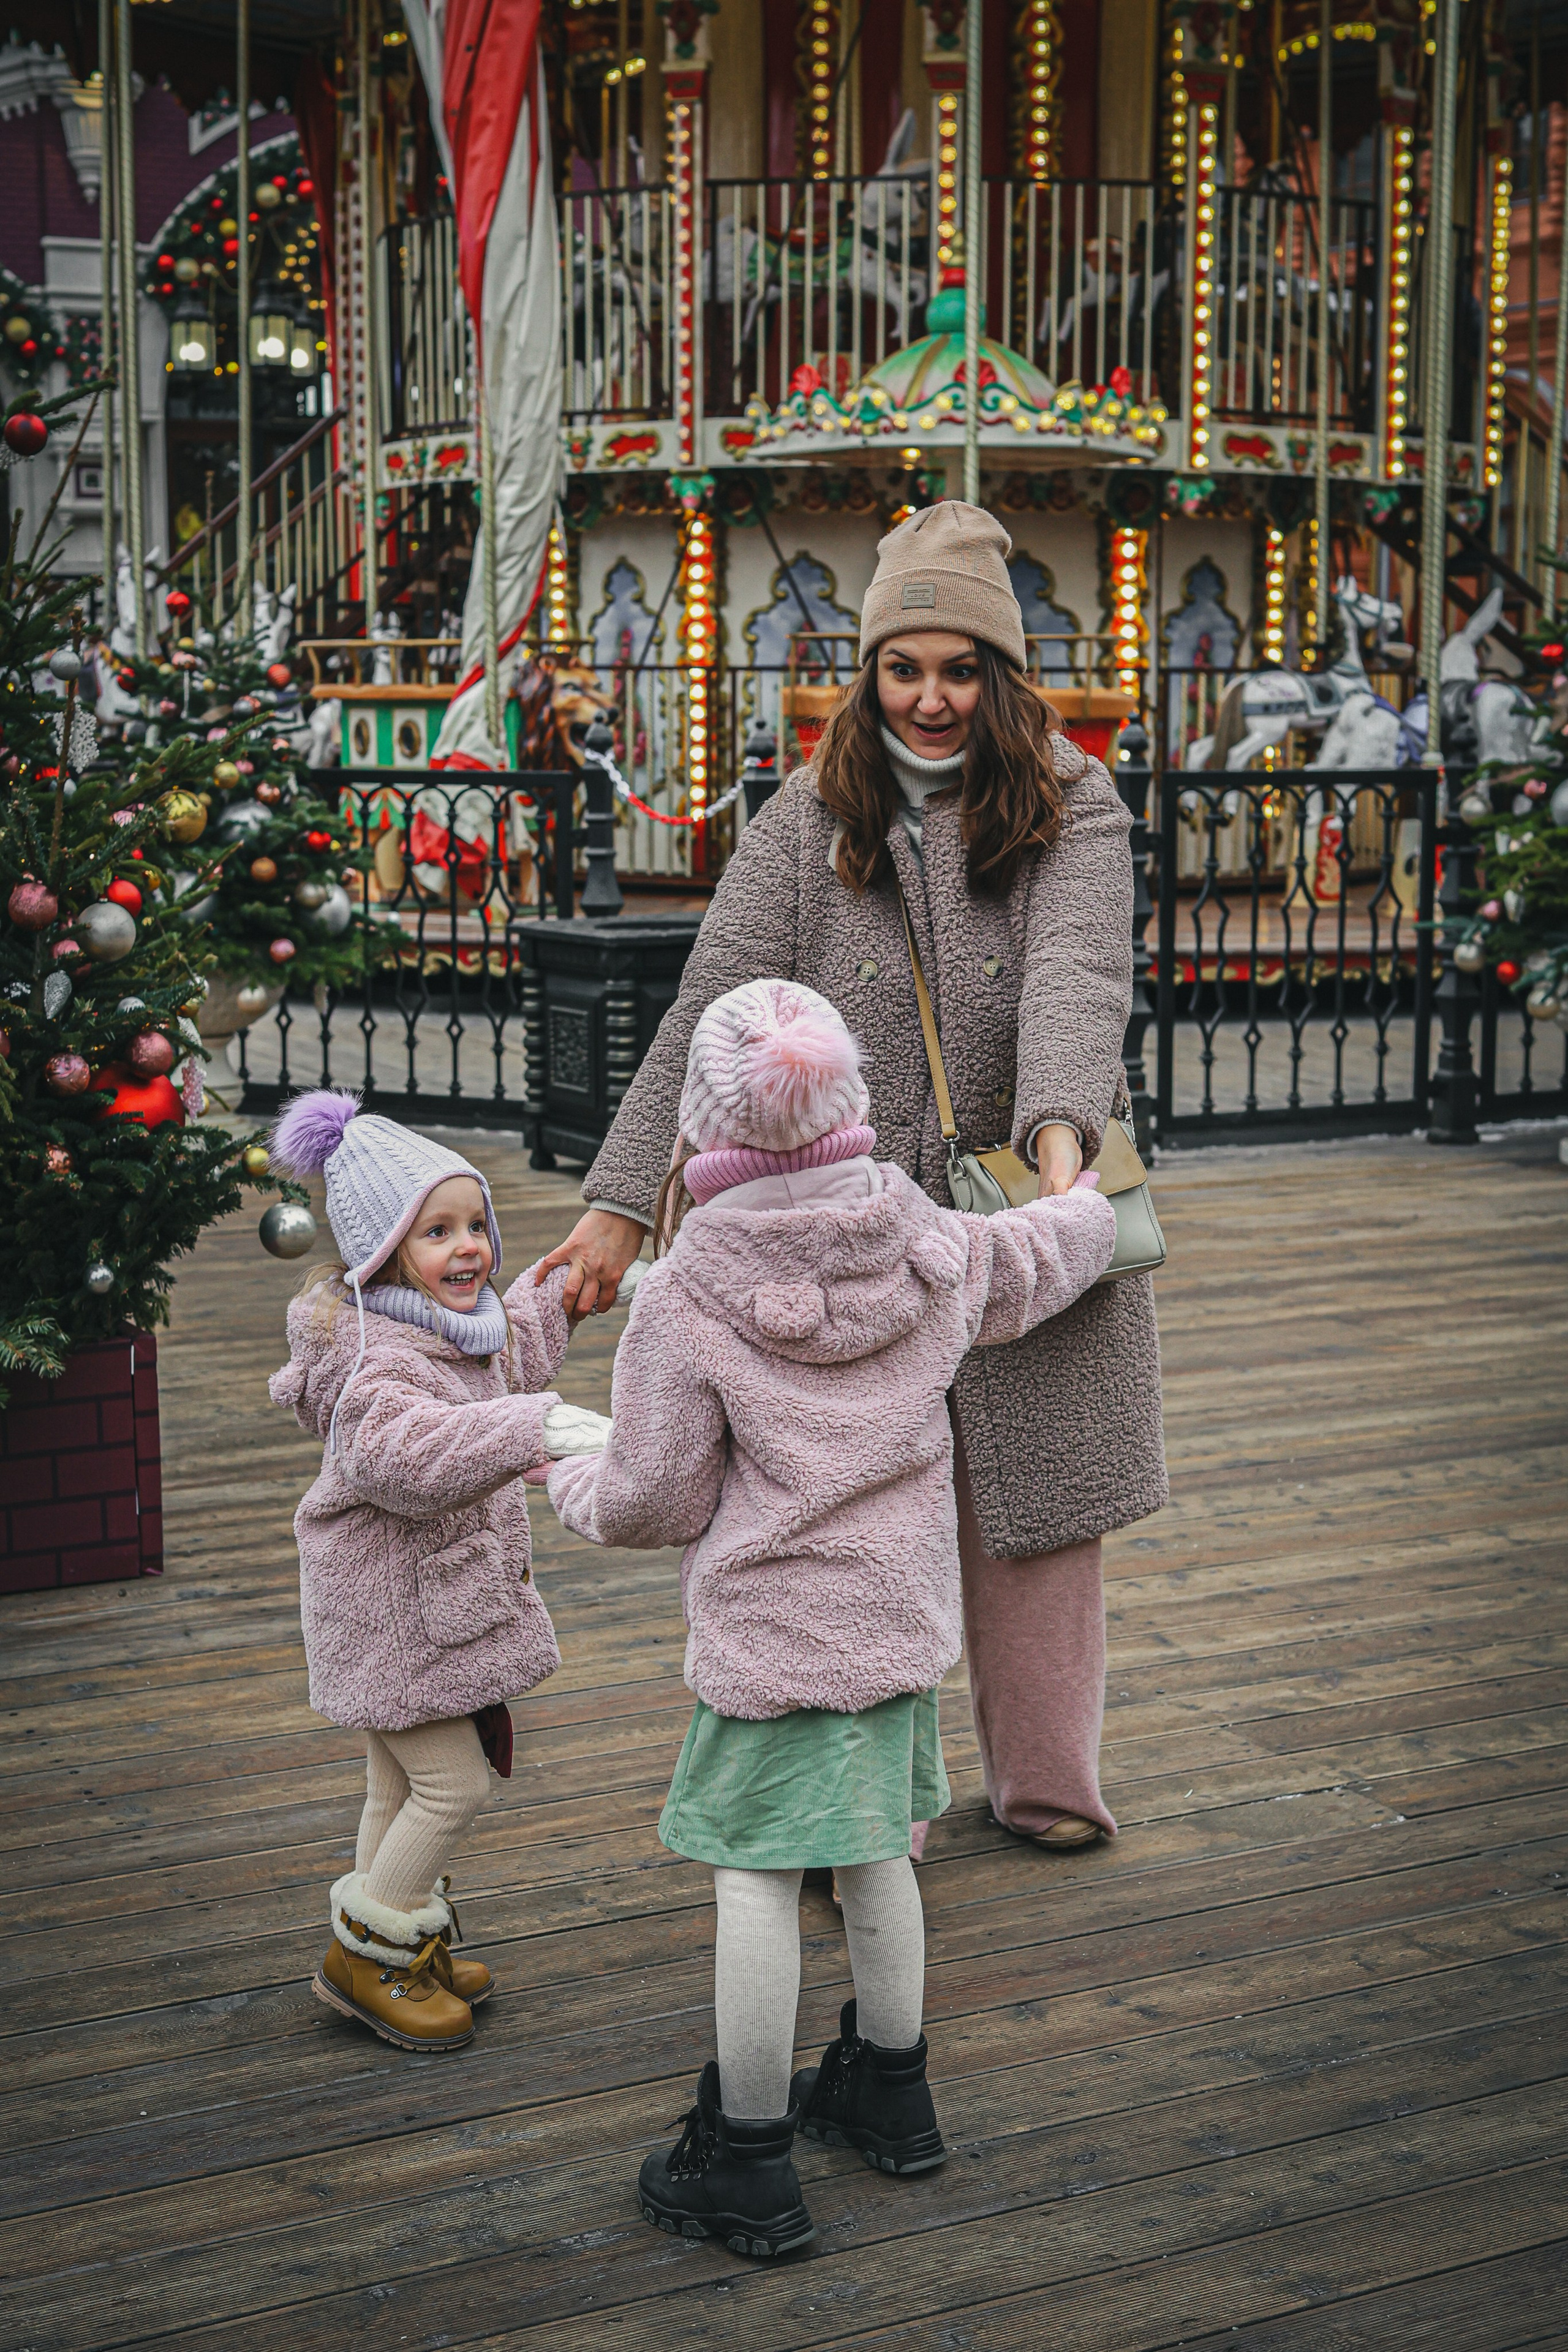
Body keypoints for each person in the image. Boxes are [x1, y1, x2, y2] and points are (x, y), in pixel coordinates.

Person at [538, 500, 1167, 1849]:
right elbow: (709, 1004)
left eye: (957, 670)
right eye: (903, 667)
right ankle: (856, 1800)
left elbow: (1074, 974)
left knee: (1039, 1498)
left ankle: (1047, 1782)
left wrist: (1061, 1151)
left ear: (999, 675)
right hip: (841, 1224)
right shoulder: (808, 812)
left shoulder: (1070, 797)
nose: (929, 700)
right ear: (867, 670)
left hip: (1014, 1197)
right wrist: (613, 1205)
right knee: (848, 1505)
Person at [542, 977, 1117, 2255]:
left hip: (768, 1638)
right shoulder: (927, 1239)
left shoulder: (689, 1293)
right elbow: (1045, 1252)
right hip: (895, 1623)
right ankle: (891, 2090)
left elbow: (651, 1496)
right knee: (873, 1849)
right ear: (849, 1105)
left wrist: (562, 1467)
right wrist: (1081, 1198)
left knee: (753, 1873)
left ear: (702, 1128)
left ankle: (745, 2154)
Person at [268, 1090, 608, 2052]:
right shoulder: (377, 1362)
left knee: (392, 1790)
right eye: (438, 1234)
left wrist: (561, 1282)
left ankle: (396, 1938)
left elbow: (512, 1355)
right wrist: (534, 1426)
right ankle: (370, 1956)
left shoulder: (447, 1324)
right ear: (382, 1254)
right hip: (392, 1615)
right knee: (452, 1787)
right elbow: (409, 1460)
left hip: (420, 1611)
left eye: (475, 1228)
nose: (468, 1250)